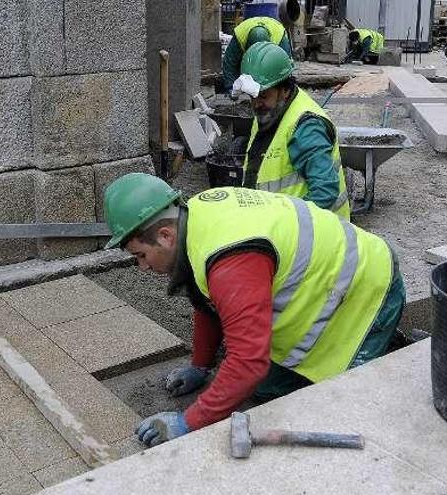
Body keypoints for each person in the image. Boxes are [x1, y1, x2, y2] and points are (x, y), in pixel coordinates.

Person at [101, 173, 406, 447]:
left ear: (166, 235)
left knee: (334, 404)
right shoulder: (196, 217)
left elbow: (248, 361)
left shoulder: (231, 261)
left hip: (368, 292)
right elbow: (210, 303)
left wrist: (187, 422)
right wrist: (200, 364)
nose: (142, 267)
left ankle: (394, 347)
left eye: (140, 255)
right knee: (266, 389)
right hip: (328, 285)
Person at [230, 42, 350, 220]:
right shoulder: (270, 111)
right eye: (252, 96)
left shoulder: (306, 127)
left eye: (263, 96)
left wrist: (287, 225)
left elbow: (325, 191)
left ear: (285, 90)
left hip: (311, 236)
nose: (256, 104)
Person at [222, 16, 293, 92]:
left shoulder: (279, 38)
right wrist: (230, 87)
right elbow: (229, 63)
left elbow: (286, 67)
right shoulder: (239, 37)